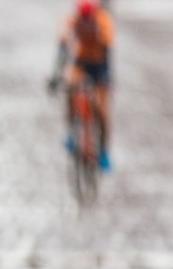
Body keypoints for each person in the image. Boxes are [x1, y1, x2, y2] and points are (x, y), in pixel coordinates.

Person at [48, 0, 115, 171]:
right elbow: (63, 47)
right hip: (82, 63)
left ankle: (104, 151)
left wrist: (105, 80)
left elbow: (108, 49)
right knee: (71, 89)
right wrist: (57, 75)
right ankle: (71, 130)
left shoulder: (103, 20)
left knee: (101, 110)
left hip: (100, 65)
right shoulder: (74, 19)